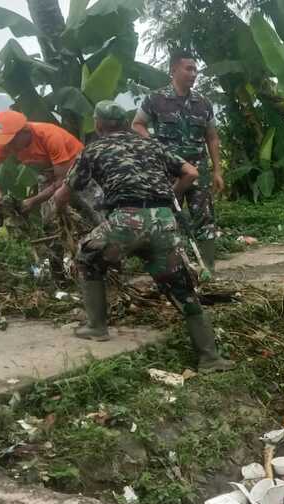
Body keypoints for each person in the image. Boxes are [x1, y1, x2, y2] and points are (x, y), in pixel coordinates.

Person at [52, 101, 235, 371]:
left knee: (87, 257)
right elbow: (192, 172)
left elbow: (64, 193)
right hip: (163, 222)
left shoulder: (94, 150)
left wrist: (54, 210)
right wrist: (171, 194)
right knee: (183, 290)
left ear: (98, 124)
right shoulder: (151, 145)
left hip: (125, 222)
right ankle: (211, 357)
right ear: (125, 122)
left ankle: (96, 326)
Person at [133, 51, 224, 276]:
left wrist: (218, 171)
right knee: (167, 218)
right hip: (168, 171)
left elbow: (212, 137)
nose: (193, 74)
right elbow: (137, 125)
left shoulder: (203, 103)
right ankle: (173, 271)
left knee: (205, 219)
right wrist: (156, 147)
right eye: (188, 69)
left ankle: (208, 270)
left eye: (195, 69)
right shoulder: (155, 99)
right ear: (174, 70)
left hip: (199, 171)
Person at [0, 109, 83, 214]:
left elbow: (62, 181)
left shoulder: (50, 137)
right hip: (50, 172)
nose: (8, 146)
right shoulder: (5, 143)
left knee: (88, 210)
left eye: (11, 141)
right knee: (51, 219)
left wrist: (33, 201)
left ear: (24, 131)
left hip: (79, 169)